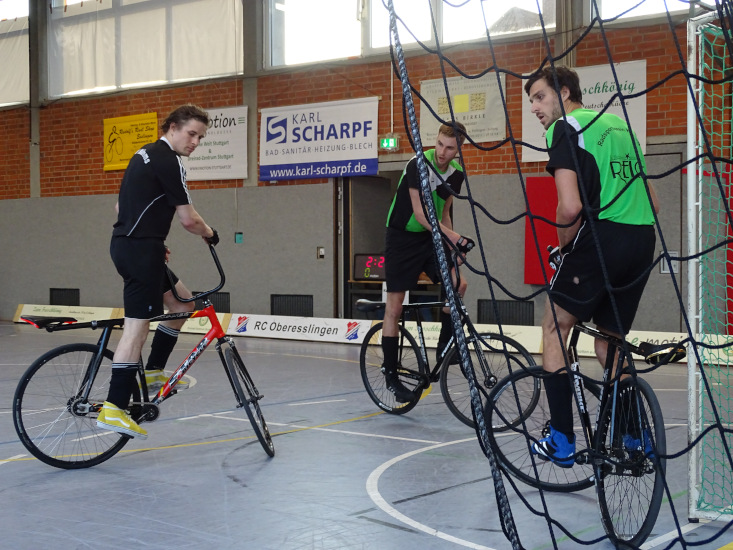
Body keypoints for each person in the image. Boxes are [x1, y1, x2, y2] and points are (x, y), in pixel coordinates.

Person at [524, 66, 660, 466]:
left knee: (553, 326)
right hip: (642, 240)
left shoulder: (564, 129)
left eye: (540, 97)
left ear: (564, 92)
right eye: (531, 100)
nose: (535, 108)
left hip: (602, 238)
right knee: (609, 343)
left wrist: (565, 250)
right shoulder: (620, 126)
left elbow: (570, 207)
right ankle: (635, 437)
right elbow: (651, 196)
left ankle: (562, 440)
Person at [97, 104, 219, 439]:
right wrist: (210, 233)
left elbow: (121, 206)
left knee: (182, 304)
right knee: (136, 329)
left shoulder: (143, 154)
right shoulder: (170, 161)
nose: (195, 142)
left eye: (200, 137)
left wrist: (151, 238)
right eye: (191, 134)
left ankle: (152, 373)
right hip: (140, 252)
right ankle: (115, 408)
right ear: (172, 127)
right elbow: (188, 219)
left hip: (134, 247)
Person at [382, 122, 474, 402]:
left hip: (430, 237)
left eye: (449, 148)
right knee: (395, 309)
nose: (442, 152)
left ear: (459, 149)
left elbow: (444, 213)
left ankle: (445, 345)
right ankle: (391, 376)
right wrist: (454, 237)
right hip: (402, 236)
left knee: (458, 284)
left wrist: (451, 245)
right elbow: (421, 215)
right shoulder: (417, 164)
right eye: (439, 144)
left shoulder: (456, 174)